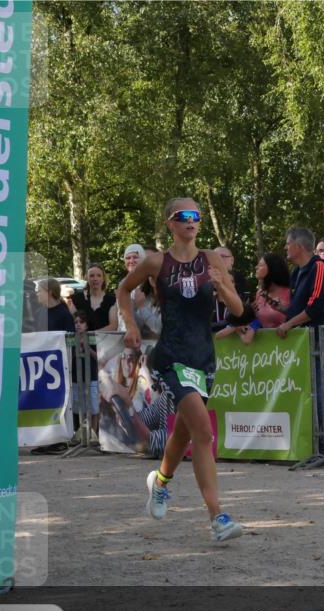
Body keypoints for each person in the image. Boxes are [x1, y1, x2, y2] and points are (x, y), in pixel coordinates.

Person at [117, 197, 246, 542]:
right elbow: (123, 290)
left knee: (187, 432)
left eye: (196, 216)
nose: (191, 221)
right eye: (184, 216)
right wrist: (130, 324)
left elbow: (238, 310)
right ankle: (217, 516)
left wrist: (221, 287)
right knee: (203, 431)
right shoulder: (156, 262)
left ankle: (159, 483)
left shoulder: (212, 259)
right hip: (171, 356)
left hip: (204, 356)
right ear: (170, 223)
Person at [32, 278, 74, 455]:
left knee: (58, 401)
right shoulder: (39, 312)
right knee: (43, 401)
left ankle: (59, 440)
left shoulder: (63, 313)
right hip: (41, 364)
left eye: (39, 290)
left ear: (49, 292)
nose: (37, 294)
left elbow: (70, 338)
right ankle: (45, 438)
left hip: (58, 365)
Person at [276, 227, 324, 338]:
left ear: (298, 247)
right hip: (299, 343)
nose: (285, 247)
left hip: (315, 343)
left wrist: (289, 324)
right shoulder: (296, 271)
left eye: (288, 244)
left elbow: (316, 306)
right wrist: (281, 308)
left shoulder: (319, 267)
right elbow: (299, 308)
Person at [231, 252, 291, 344]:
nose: (256, 267)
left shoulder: (289, 292)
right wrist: (250, 311)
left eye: (260, 265)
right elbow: (257, 321)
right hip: (265, 350)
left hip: (287, 347)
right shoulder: (260, 293)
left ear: (272, 268)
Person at [71, 309, 100, 440]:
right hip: (77, 378)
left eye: (81, 322)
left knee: (94, 407)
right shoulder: (71, 339)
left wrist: (87, 347)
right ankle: (82, 434)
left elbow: (99, 357)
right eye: (76, 322)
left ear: (86, 325)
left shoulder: (93, 338)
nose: (78, 324)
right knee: (79, 407)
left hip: (92, 377)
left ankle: (94, 434)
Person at [212, 246, 253, 334]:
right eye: (214, 257)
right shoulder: (204, 291)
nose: (218, 260)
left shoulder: (243, 292)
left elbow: (244, 319)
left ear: (232, 260)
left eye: (222, 256)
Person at [72, 263, 116, 331]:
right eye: (92, 276)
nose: (95, 279)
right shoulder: (77, 298)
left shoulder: (112, 299)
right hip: (82, 340)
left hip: (105, 340)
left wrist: (91, 336)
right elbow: (71, 323)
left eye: (99, 275)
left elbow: (113, 326)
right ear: (86, 278)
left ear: (103, 278)